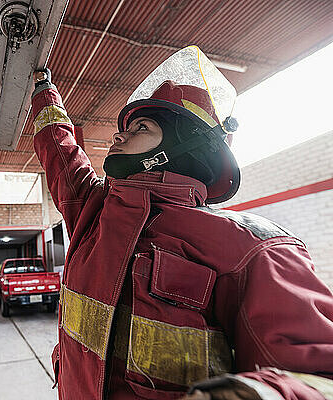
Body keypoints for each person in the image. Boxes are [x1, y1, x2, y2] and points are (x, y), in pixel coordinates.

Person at [31, 46, 333, 400]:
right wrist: (41, 88)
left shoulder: (253, 250)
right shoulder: (94, 211)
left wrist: (256, 393)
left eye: (140, 127)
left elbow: (317, 374)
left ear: (180, 145)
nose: (118, 136)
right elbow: (59, 150)